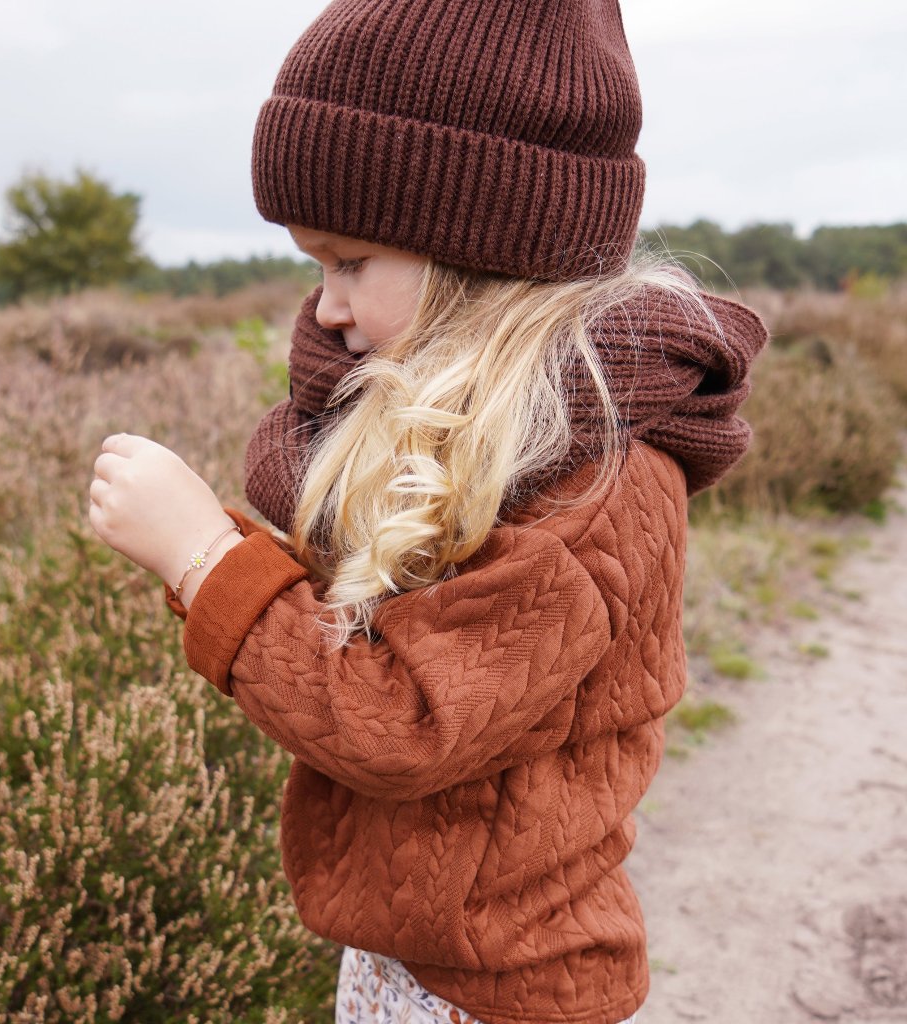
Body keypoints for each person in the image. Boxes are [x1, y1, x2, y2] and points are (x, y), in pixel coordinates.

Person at [87, 1, 768, 1021]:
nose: (323, 306)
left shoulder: (592, 489)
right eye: (312, 264)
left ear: (481, 249)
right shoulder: (466, 439)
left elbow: (402, 721)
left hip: (503, 992)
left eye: (350, 261)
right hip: (408, 955)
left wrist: (202, 559)